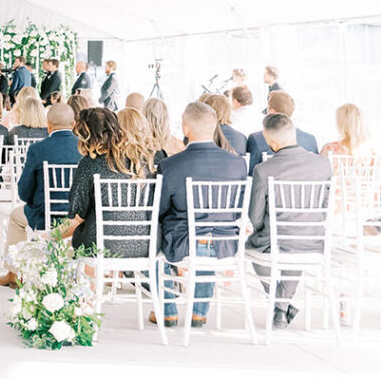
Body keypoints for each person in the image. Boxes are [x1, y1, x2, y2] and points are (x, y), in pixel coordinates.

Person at [155, 101, 248, 327]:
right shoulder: (238, 164)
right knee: (208, 240)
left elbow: (160, 209)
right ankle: (198, 313)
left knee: (156, 239)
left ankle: (168, 310)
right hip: (225, 244)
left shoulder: (171, 164)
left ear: (185, 128)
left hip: (182, 244)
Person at [247, 113, 333, 329]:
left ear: (272, 143)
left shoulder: (264, 170)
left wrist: (261, 230)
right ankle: (282, 309)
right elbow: (325, 206)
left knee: (254, 247)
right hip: (312, 240)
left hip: (276, 242)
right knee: (295, 245)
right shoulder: (323, 164)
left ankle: (278, 303)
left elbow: (255, 216)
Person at [0, 103, 81, 287]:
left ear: (48, 124)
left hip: (44, 217)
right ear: (74, 124)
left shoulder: (38, 149)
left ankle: (14, 272)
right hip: (76, 220)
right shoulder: (84, 149)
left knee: (15, 217)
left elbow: (24, 192)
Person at [65, 107, 155, 258]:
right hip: (145, 243)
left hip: (102, 245)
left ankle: (94, 281)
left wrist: (49, 237)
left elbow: (77, 217)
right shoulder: (142, 161)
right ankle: (112, 279)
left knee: (71, 246)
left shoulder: (90, 164)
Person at [247, 91, 319, 174]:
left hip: (270, 185)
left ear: (272, 112)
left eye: (267, 109)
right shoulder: (310, 139)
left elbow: (250, 174)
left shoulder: (256, 138)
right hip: (306, 186)